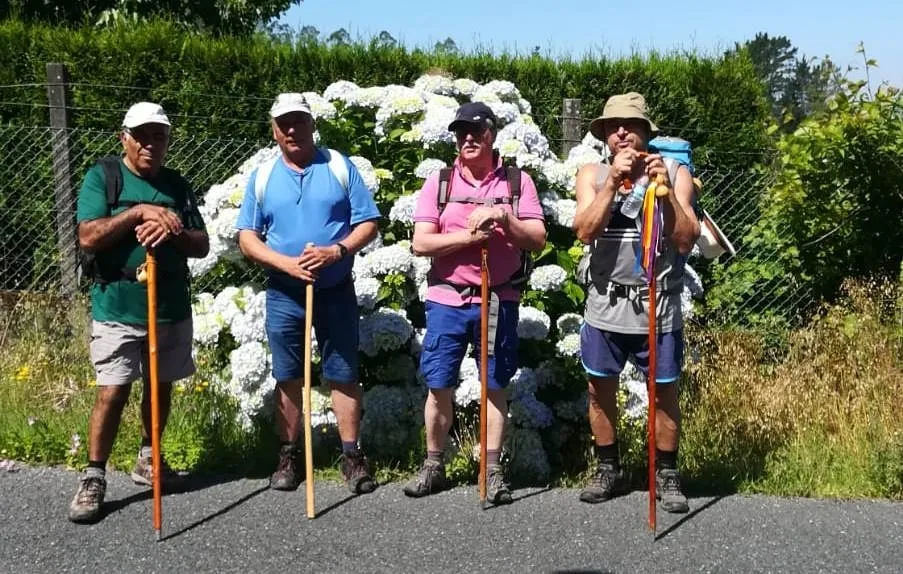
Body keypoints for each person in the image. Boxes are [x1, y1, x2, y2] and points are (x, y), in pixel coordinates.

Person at [68, 102, 210, 523]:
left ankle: (150, 459)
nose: (151, 144)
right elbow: (88, 236)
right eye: (142, 135)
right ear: (124, 138)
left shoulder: (177, 185)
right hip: (118, 304)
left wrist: (173, 227)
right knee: (113, 389)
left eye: (159, 136)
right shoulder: (104, 177)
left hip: (168, 305)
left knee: (160, 385)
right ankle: (94, 475)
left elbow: (201, 245)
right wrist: (138, 213)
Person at [236, 93, 381, 494]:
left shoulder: (338, 166)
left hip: (335, 290)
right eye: (284, 124)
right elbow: (248, 238)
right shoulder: (263, 177)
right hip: (284, 293)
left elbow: (368, 222)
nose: (292, 130)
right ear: (274, 130)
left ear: (312, 124)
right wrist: (286, 264)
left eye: (299, 121)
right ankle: (288, 457)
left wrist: (337, 251)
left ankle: (352, 456)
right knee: (288, 376)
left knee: (343, 372)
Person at [405, 102, 547, 503]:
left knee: (495, 387)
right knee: (439, 385)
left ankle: (493, 468)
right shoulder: (441, 182)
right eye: (460, 132)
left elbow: (536, 238)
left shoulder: (518, 183)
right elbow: (421, 243)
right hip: (447, 299)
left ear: (492, 135)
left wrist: (503, 217)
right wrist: (469, 240)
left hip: (498, 298)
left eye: (476, 131)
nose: (467, 138)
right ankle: (434, 464)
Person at [572, 92, 700, 513]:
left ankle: (666, 474)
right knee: (599, 390)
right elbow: (585, 231)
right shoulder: (591, 174)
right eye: (613, 126)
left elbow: (685, 239)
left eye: (630, 124)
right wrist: (611, 182)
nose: (621, 131)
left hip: (657, 304)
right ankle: (608, 469)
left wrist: (664, 193)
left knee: (664, 393)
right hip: (605, 304)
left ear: (646, 132)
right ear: (605, 136)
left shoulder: (676, 172)